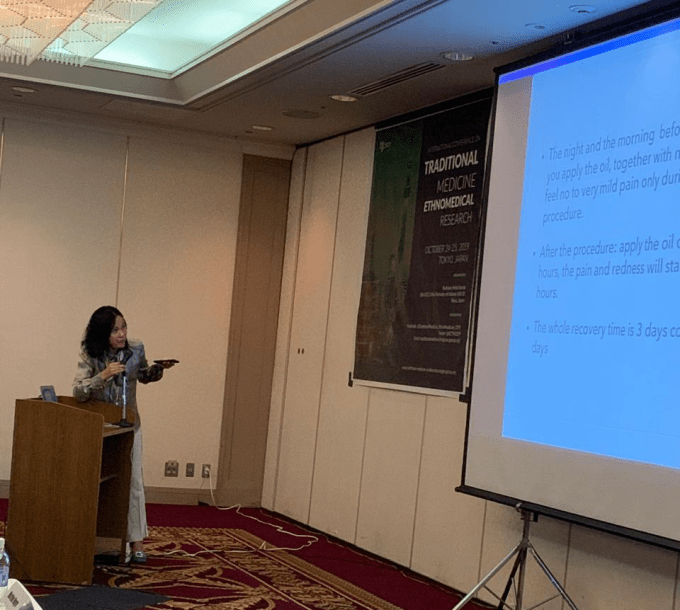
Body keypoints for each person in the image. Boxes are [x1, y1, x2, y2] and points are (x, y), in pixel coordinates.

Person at [73, 305, 175, 563]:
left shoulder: (136, 348)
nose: (121, 334)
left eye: (123, 327)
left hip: (129, 424)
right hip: (100, 426)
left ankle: (136, 540)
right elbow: (78, 391)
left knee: (134, 483)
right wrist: (103, 376)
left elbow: (142, 376)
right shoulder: (90, 353)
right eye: (114, 330)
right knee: (98, 483)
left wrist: (157, 370)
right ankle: (97, 538)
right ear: (102, 333)